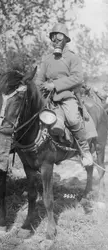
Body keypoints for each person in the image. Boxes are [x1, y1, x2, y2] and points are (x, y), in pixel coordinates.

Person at [35, 22, 93, 167]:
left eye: (59, 37)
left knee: (73, 120)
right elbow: (39, 79)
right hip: (48, 98)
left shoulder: (73, 58)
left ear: (66, 39)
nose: (55, 40)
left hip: (67, 97)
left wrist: (54, 84)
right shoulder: (47, 60)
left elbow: (77, 78)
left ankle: (85, 151)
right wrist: (38, 89)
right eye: (53, 37)